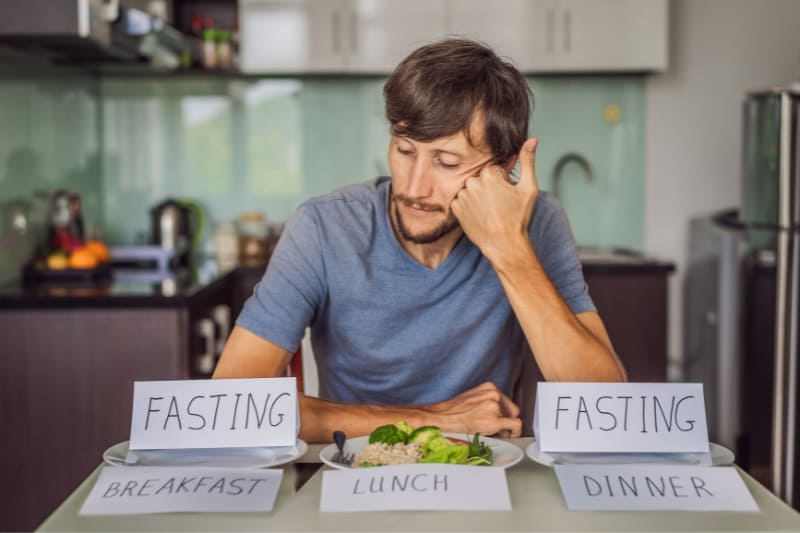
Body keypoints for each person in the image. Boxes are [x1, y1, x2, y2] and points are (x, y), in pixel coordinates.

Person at [213, 38, 626, 443]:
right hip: (352, 469)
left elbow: (604, 402)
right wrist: (430, 420)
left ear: (505, 168)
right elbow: (232, 405)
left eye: (446, 162)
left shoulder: (536, 224)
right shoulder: (323, 227)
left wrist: (508, 247)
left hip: (483, 468)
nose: (413, 187)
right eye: (405, 150)